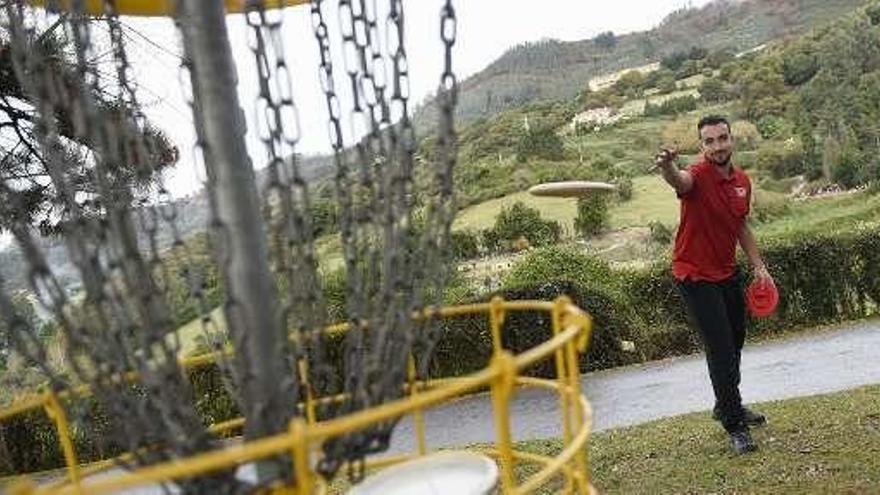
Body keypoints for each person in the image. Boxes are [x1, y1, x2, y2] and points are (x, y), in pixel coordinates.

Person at [654, 115, 774, 455]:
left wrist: (759, 266)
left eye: (723, 138)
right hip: (694, 275)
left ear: (731, 140)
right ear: (702, 145)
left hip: (726, 272)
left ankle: (726, 404)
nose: (718, 146)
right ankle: (734, 423)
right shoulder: (698, 174)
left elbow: (741, 228)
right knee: (720, 348)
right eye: (710, 141)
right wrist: (667, 167)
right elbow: (680, 182)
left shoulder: (742, 182)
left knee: (735, 340)